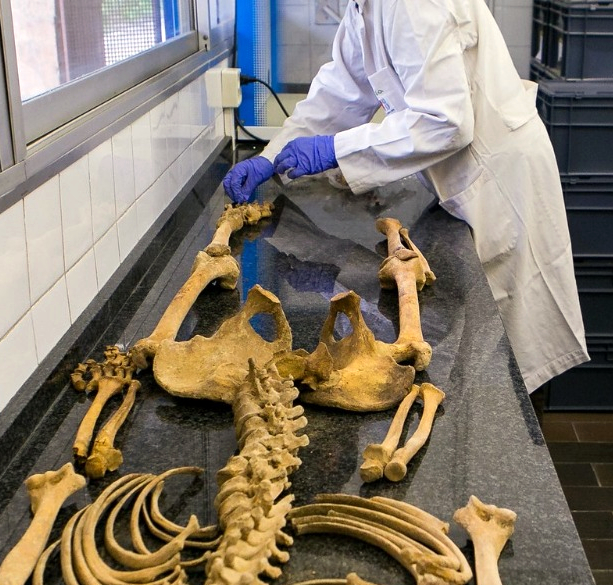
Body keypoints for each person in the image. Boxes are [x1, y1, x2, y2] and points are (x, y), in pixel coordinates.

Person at [222, 0, 587, 392]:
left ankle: (519, 425)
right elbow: (341, 93)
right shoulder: (365, 7)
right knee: (481, 355)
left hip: (499, 184)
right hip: (462, 179)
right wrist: (271, 156)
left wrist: (334, 150)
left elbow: (445, 121)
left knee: (508, 357)